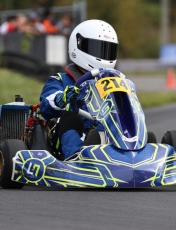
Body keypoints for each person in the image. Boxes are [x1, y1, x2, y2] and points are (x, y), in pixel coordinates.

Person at [39, 19, 119, 160]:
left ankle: (135, 154)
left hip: (102, 134)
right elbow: (46, 104)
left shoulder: (112, 83)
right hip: (67, 139)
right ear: (79, 45)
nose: (103, 55)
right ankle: (76, 157)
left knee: (119, 119)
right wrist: (61, 98)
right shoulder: (60, 80)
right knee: (70, 117)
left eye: (108, 50)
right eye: (97, 49)